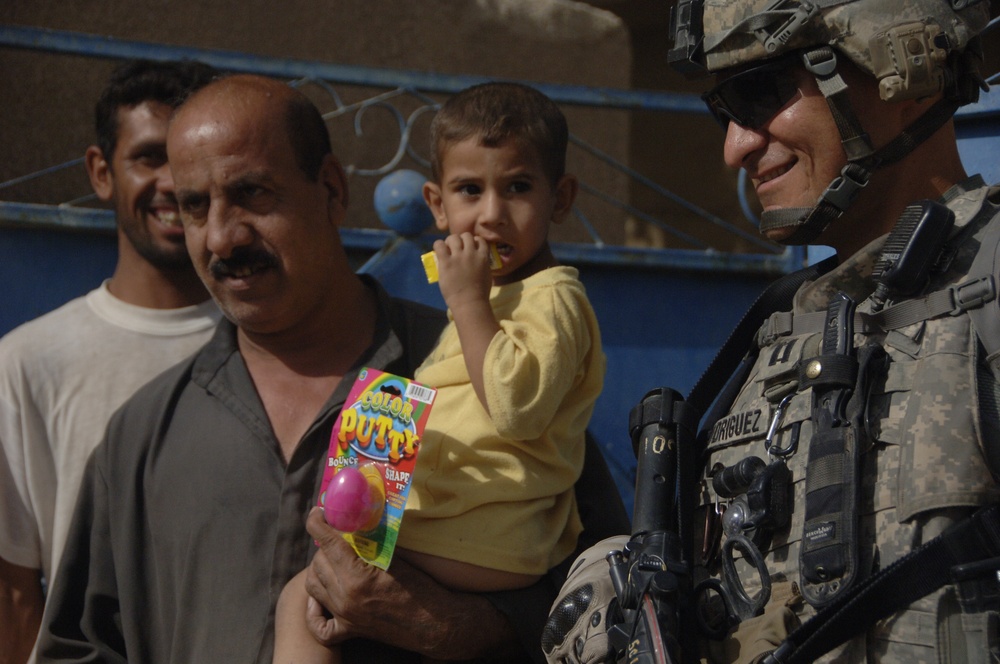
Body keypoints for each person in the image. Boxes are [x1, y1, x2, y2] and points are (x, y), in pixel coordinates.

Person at [35, 73, 627, 664]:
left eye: (253, 194)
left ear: (332, 190)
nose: (222, 236)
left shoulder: (473, 369)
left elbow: (615, 601)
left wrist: (468, 627)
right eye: (194, 207)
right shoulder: (141, 438)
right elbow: (81, 648)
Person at [544, 0, 1000, 662]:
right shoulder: (783, 328)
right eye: (725, 112)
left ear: (906, 69)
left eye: (763, 93)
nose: (735, 147)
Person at [274, 81, 605, 662]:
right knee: (318, 590)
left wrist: (469, 303)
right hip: (463, 528)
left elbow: (517, 409)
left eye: (519, 188)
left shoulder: (554, 299)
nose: (492, 214)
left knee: (305, 592)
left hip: (486, 540)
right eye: (470, 191)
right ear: (437, 205)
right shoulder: (491, 301)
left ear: (560, 198)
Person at [0, 58, 221, 664]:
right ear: (101, 172)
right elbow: (15, 592)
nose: (175, 183)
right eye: (151, 156)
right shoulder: (26, 363)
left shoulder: (285, 349)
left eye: (192, 159)